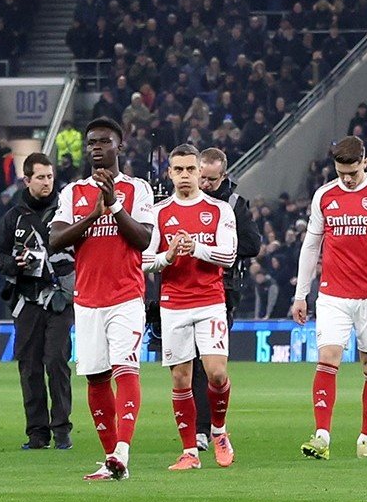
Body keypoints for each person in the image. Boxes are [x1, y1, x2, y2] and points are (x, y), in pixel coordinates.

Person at [292, 137, 367, 461]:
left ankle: (366, 439)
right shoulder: (325, 196)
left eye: (353, 171)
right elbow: (310, 247)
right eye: (341, 171)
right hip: (333, 294)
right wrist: (301, 294)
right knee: (328, 357)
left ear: (365, 161)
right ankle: (321, 436)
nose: (346, 178)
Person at [49, 117, 153, 482]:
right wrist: (94, 214)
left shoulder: (137, 189)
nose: (96, 147)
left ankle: (122, 451)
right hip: (87, 298)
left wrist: (114, 207)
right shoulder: (73, 193)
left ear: (119, 147)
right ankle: (110, 459)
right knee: (95, 377)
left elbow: (143, 240)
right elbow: (57, 240)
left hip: (125, 296)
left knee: (126, 368)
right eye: (91, 141)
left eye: (104, 141)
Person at [143, 144, 239, 471]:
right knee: (181, 380)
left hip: (210, 301)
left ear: (201, 172)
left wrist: (195, 247)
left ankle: (219, 430)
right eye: (178, 170)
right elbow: (143, 261)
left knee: (216, 373)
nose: (185, 176)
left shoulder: (219, 210)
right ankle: (190, 452)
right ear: (169, 173)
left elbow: (228, 256)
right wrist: (168, 257)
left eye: (190, 169)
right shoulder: (158, 213)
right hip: (174, 304)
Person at [0, 152, 75, 450]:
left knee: (56, 361)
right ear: (27, 180)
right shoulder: (13, 216)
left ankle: (62, 429)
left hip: (62, 298)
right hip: (27, 299)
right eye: (40, 177)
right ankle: (37, 434)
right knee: (29, 367)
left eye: (50, 176)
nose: (46, 182)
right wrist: (15, 264)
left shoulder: (67, 212)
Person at [192, 146, 260, 450]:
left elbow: (252, 244)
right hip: (186, 287)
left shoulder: (235, 204)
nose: (205, 185)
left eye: (211, 180)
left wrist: (217, 245)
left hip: (223, 290)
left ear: (224, 176)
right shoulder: (185, 201)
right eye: (201, 178)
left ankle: (208, 426)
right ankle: (199, 428)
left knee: (211, 364)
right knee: (189, 363)